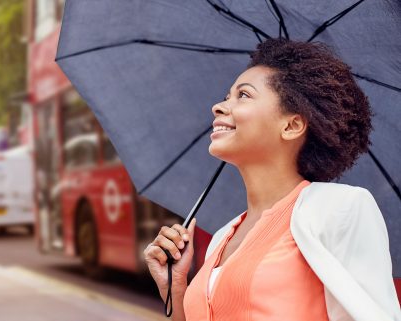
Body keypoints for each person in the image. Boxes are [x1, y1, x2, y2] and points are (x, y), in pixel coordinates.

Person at [144, 38, 401, 321]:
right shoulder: (221, 238)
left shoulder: (340, 208)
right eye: (227, 95)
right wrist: (176, 289)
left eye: (243, 95)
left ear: (291, 125)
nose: (218, 106)